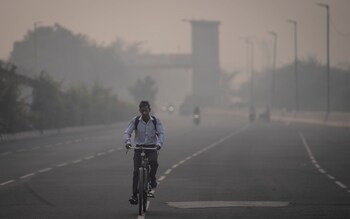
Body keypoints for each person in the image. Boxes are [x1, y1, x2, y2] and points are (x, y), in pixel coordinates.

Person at [124, 100, 165, 205]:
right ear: (139, 110)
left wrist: (159, 144)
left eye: (146, 110)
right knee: (136, 172)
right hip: (139, 148)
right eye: (142, 111)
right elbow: (127, 132)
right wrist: (128, 142)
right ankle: (134, 196)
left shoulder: (156, 121)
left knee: (154, 162)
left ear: (149, 110)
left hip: (152, 148)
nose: (144, 113)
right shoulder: (136, 120)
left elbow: (161, 133)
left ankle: (152, 179)